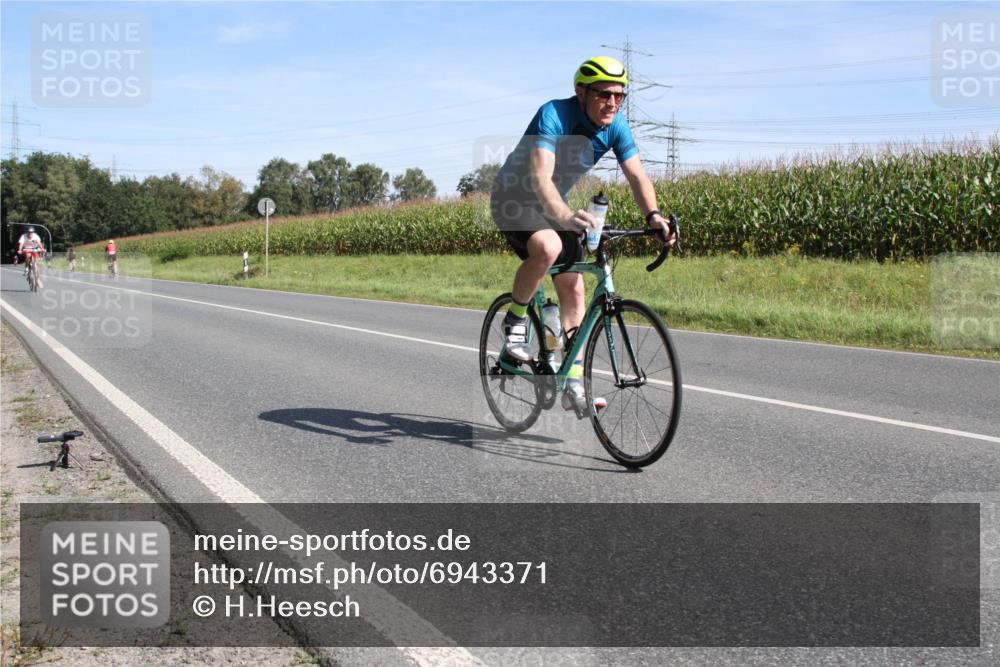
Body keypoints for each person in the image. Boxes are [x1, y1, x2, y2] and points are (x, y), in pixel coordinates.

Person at [491, 56, 677, 411]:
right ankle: (515, 320)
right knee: (547, 246)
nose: (612, 103)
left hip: (552, 204)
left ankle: (572, 378)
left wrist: (653, 215)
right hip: (514, 199)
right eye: (604, 95)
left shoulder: (616, 126)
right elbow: (539, 178)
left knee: (574, 286)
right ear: (581, 92)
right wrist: (563, 215)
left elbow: (637, 176)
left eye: (619, 96)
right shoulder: (554, 115)